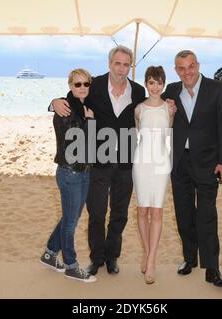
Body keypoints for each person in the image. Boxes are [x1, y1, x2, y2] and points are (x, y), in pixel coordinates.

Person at [51, 46, 172, 276]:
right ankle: (96, 259)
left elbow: (155, 106)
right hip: (99, 159)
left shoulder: (138, 91)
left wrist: (172, 106)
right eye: (117, 63)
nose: (121, 68)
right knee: (96, 212)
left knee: (120, 213)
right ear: (109, 64)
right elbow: (72, 98)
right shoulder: (93, 85)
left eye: (126, 64)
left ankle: (112, 257)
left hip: (127, 160)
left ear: (131, 67)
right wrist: (53, 102)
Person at [162, 50, 222, 287]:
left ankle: (212, 268)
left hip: (208, 162)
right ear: (176, 70)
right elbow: (150, 107)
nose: (187, 72)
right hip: (179, 162)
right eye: (181, 68)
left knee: (206, 216)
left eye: (191, 66)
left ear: (198, 65)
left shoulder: (218, 90)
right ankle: (189, 258)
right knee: (183, 214)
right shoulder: (171, 91)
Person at [40, 69, 96, 283]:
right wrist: (90, 122)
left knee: (69, 218)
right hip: (70, 173)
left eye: (86, 84)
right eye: (77, 84)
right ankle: (71, 266)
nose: (82, 88)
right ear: (70, 85)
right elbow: (77, 142)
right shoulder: (64, 107)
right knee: (71, 222)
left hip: (83, 172)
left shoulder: (84, 106)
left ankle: (49, 254)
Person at [132, 66, 176, 284]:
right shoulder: (139, 109)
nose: (155, 86)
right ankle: (147, 252)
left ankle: (151, 261)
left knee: (157, 212)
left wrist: (173, 111)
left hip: (161, 162)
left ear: (164, 84)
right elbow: (135, 135)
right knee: (142, 210)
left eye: (159, 82)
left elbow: (170, 133)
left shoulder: (170, 108)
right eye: (151, 82)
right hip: (141, 162)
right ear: (146, 84)